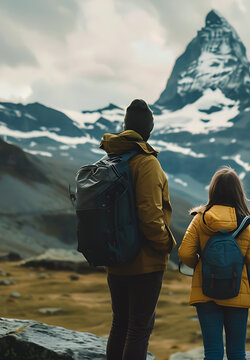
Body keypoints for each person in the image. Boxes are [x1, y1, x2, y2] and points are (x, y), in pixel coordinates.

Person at [101, 99, 176, 360]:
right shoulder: (146, 163)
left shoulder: (111, 158)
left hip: (115, 256)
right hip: (145, 262)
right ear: (148, 132)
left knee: (119, 323)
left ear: (125, 127)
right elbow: (150, 215)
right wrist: (166, 244)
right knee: (138, 329)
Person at [178, 167, 250, 360]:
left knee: (213, 352)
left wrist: (202, 264)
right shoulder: (246, 224)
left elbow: (184, 253)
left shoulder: (200, 219)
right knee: (237, 352)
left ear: (213, 190)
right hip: (237, 291)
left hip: (206, 291)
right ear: (238, 192)